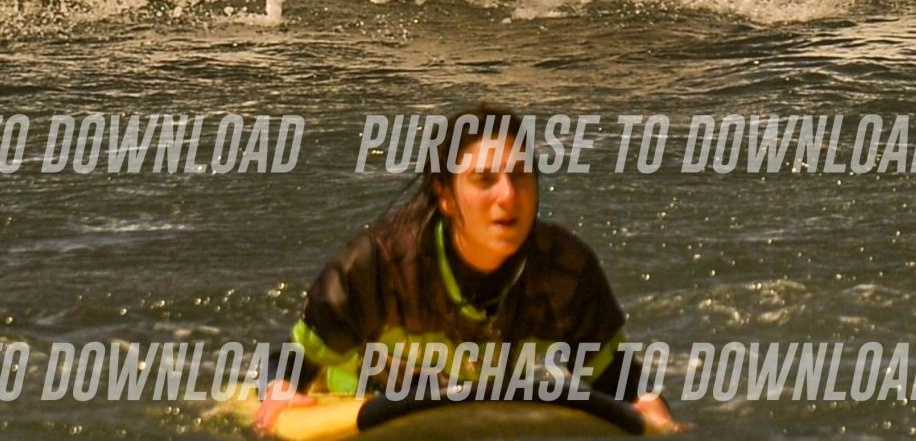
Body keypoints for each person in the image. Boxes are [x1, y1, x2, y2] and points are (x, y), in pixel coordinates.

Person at [255, 105, 678, 433]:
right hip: (367, 408)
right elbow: (290, 364)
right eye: (484, 180)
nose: (508, 195)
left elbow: (617, 378)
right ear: (445, 195)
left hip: (469, 411)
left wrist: (650, 408)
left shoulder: (565, 272)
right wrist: (279, 393)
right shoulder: (378, 265)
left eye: (520, 175)